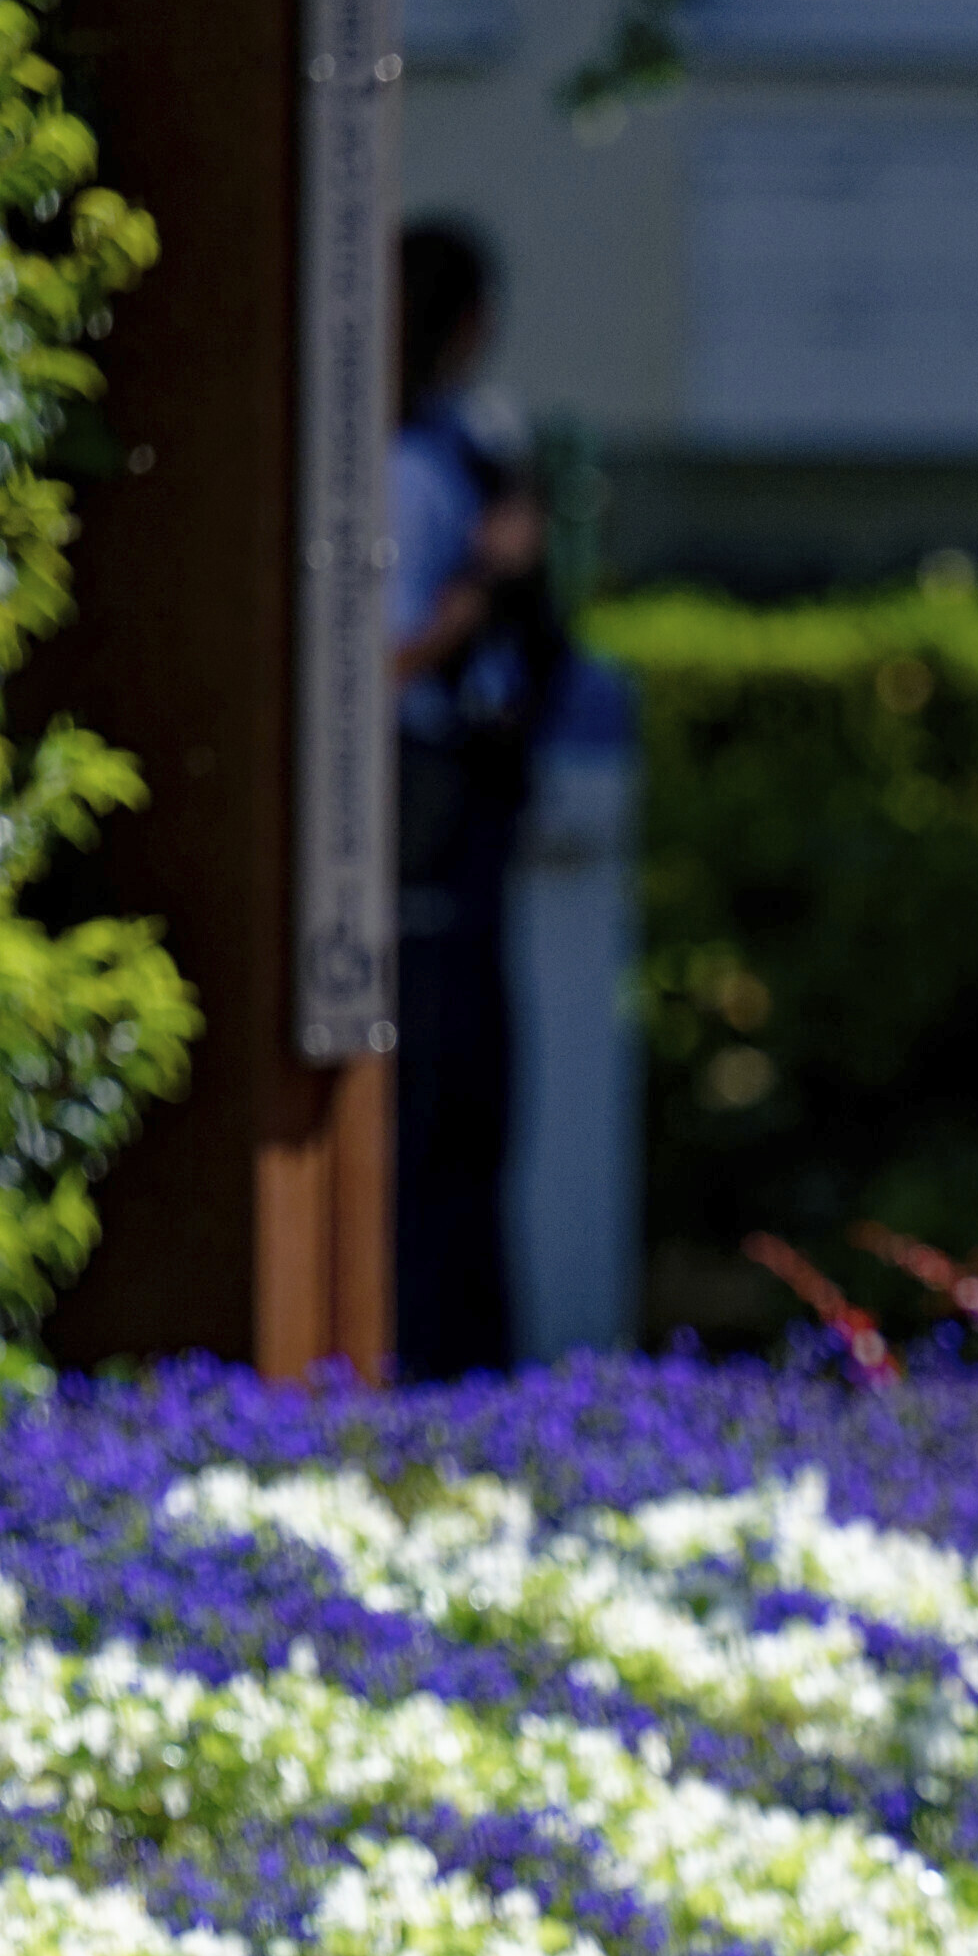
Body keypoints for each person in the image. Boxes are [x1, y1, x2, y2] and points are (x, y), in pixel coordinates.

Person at [390, 219, 559, 1383]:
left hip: (465, 798)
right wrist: (484, 581)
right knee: (442, 1092)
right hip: (421, 804)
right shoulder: (408, 468)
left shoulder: (465, 446)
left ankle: (466, 1352)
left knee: (474, 1099)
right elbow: (382, 658)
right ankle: (438, 1351)